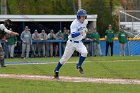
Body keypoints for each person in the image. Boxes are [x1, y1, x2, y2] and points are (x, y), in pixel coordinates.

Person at [54, 9, 88, 79]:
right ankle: (56, 70)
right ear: (78, 17)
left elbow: (84, 29)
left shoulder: (85, 22)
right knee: (64, 59)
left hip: (79, 42)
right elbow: (72, 35)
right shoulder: (74, 23)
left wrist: (84, 33)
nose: (83, 18)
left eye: (84, 16)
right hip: (71, 43)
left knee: (85, 52)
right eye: (82, 16)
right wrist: (81, 32)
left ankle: (78, 65)